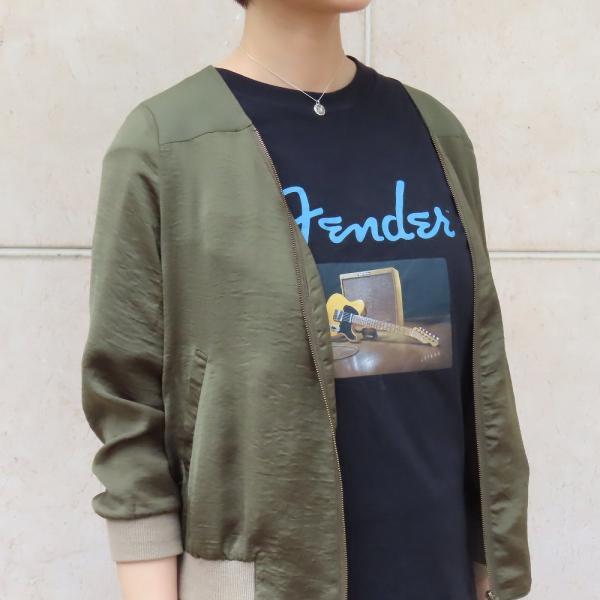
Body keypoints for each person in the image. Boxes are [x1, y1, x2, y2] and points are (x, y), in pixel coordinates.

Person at [81, 1, 532, 599]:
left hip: (438, 573)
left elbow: (478, 373)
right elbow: (127, 399)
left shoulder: (433, 129)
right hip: (268, 581)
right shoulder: (169, 143)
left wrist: (488, 562)